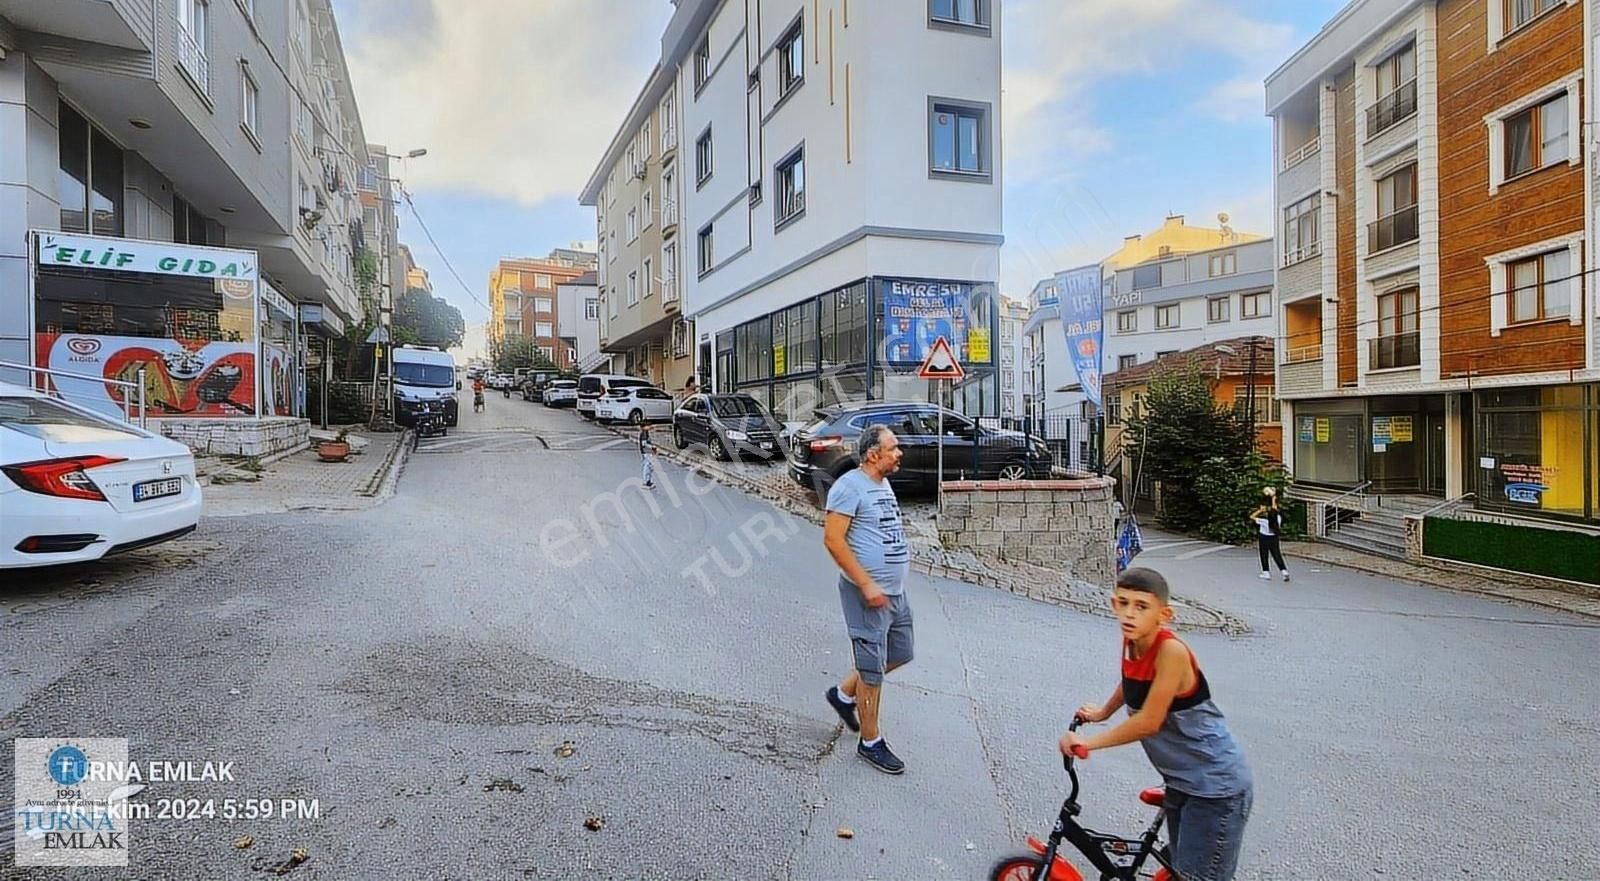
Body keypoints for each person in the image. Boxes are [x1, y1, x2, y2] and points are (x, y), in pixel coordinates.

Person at [1061, 568, 1253, 881]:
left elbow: (1149, 722)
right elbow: (1132, 682)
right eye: (1122, 603)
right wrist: (1103, 713)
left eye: (1141, 606)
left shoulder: (1171, 651)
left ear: (1164, 614)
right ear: (1112, 604)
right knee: (1180, 868)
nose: (1129, 614)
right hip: (1183, 781)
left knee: (1198, 877)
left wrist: (1088, 743)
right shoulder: (1132, 642)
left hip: (1215, 786)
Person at [822, 424, 913, 775]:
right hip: (867, 594)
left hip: (893, 592)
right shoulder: (849, 488)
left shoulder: (882, 483)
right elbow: (833, 540)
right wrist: (866, 584)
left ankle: (843, 695)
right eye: (893, 447)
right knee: (872, 668)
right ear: (873, 454)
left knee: (901, 652)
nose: (899, 452)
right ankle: (870, 742)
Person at [1249, 488, 1289, 582]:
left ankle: (1266, 572)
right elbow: (1274, 511)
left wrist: (1260, 510)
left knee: (1264, 554)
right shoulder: (1278, 519)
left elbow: (1251, 517)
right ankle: (1284, 571)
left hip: (1264, 538)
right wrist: (1273, 499)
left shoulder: (1263, 521)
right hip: (1274, 537)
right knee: (1276, 554)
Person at [638, 422, 657, 490]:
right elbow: (644, 444)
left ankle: (649, 481)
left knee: (650, 467)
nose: (649, 427)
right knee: (647, 466)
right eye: (648, 426)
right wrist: (652, 447)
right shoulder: (643, 434)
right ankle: (645, 481)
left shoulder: (646, 433)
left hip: (648, 452)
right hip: (646, 452)